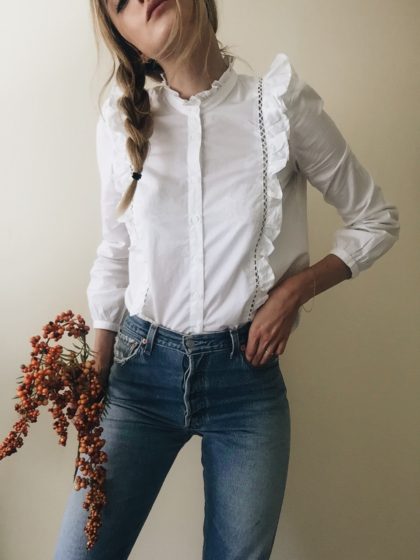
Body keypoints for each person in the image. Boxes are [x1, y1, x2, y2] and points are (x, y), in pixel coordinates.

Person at [53, 1, 400, 558]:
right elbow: (116, 250)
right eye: (121, 2)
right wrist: (95, 368)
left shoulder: (280, 106)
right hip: (138, 379)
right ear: (130, 42)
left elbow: (376, 220)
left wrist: (294, 291)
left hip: (246, 385)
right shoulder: (120, 122)